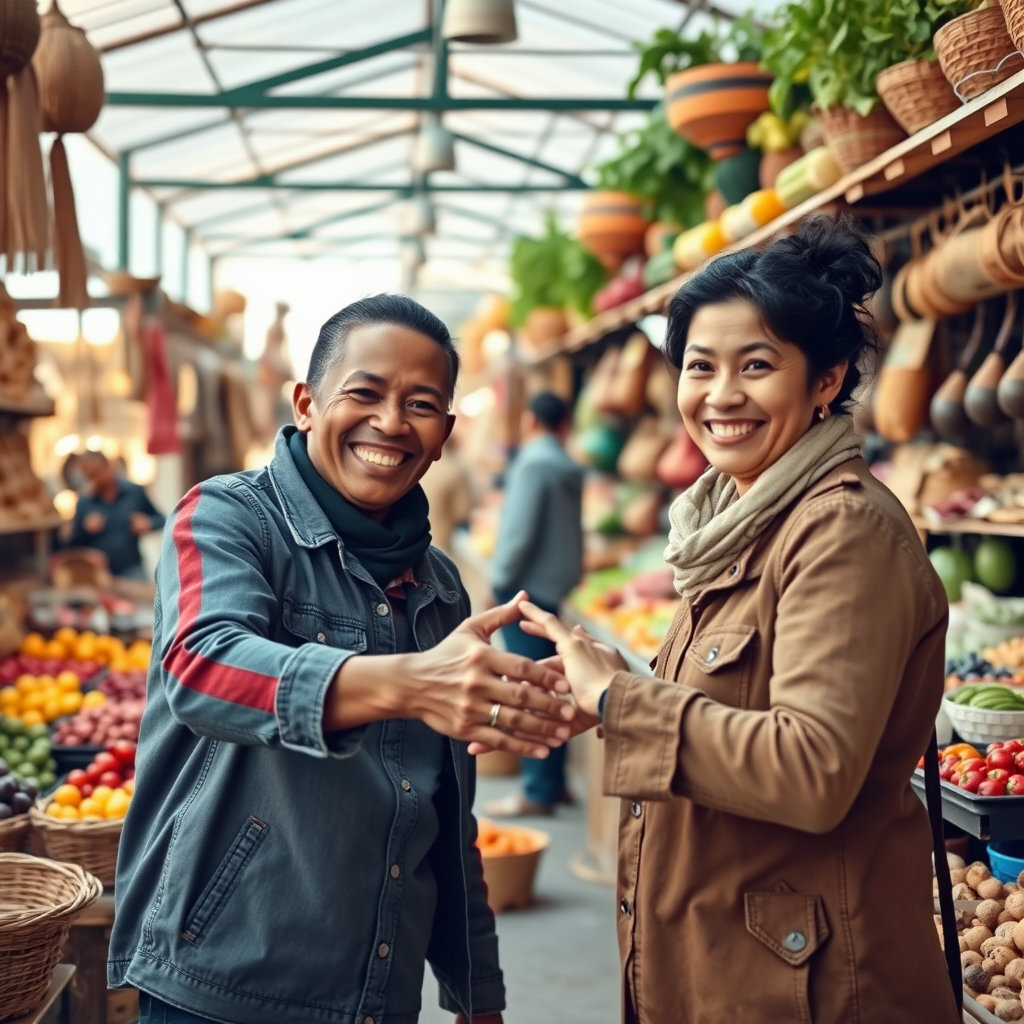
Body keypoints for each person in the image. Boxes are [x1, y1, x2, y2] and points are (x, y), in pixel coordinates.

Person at [514, 217, 960, 1023]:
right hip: (735, 966)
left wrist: (625, 704)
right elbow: (735, 710)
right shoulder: (737, 521)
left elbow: (812, 767)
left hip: (815, 989)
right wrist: (607, 690)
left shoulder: (840, 530)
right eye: (700, 367)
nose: (720, 396)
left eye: (756, 366)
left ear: (824, 381)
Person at [107, 295, 576, 1024]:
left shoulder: (440, 588)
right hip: (220, 980)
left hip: (376, 992)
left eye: (421, 403)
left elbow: (447, 815)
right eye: (365, 392)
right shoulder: (227, 516)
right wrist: (413, 684)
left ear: (446, 433)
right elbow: (203, 667)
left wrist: (477, 993)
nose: (391, 423)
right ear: (306, 403)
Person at [485, 391, 583, 817]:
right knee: (553, 686)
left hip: (525, 592)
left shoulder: (531, 464)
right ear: (563, 425)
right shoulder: (566, 465)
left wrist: (498, 582)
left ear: (529, 421)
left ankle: (537, 792)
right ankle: (555, 783)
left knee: (528, 689)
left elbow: (518, 535)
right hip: (555, 589)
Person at [65, 449, 166, 580]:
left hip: (132, 569)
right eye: (90, 476)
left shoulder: (134, 492)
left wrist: (148, 523)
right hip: (98, 574)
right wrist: (85, 529)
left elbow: (161, 519)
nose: (95, 479)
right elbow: (73, 542)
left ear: (107, 466)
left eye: (97, 473)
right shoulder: (84, 502)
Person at [420, 427, 474, 557]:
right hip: (440, 545)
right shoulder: (455, 469)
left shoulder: (417, 464)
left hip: (413, 542)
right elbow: (463, 512)